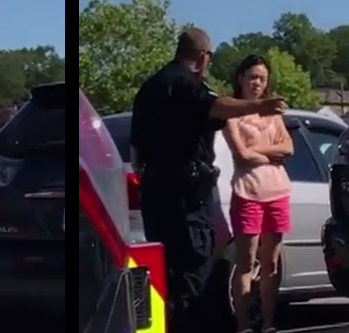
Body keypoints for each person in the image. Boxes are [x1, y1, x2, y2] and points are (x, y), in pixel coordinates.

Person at [130, 28, 287, 333]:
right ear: (203, 57)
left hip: (154, 191)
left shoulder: (149, 88)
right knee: (193, 277)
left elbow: (136, 151)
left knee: (165, 276)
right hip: (187, 195)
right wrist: (257, 105)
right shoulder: (188, 85)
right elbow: (216, 106)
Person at [223, 55, 293, 333]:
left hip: (277, 192)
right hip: (247, 192)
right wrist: (270, 155)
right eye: (252, 77)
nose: (257, 83)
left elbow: (288, 148)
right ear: (241, 78)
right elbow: (240, 154)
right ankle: (243, 326)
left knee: (271, 262)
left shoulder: (273, 112)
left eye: (262, 78)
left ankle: (268, 324)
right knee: (246, 262)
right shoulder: (231, 112)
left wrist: (259, 154)